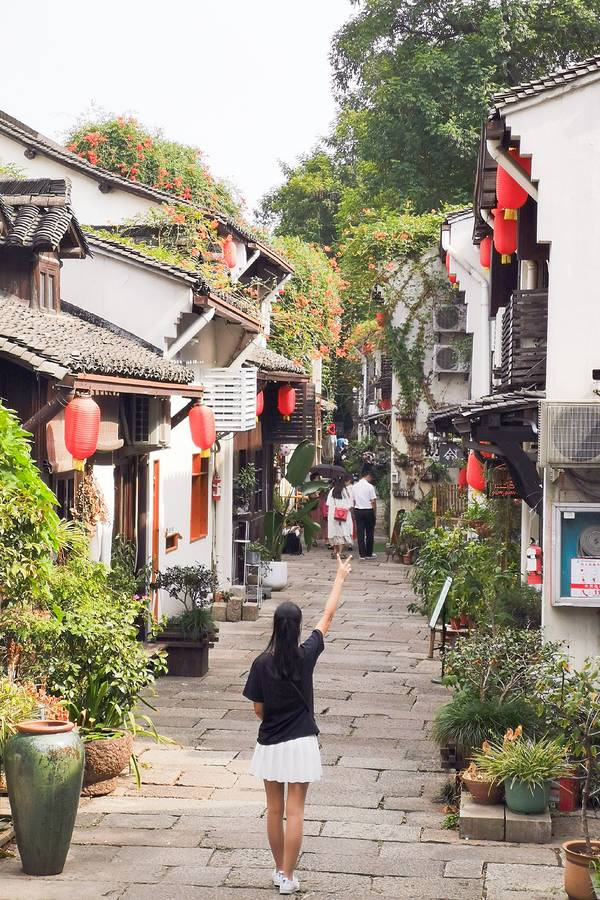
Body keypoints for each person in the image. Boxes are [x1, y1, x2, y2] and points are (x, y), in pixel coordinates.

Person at [243, 555, 353, 895]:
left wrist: (272, 716)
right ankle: (290, 877)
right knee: (296, 811)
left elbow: (258, 709)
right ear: (298, 627)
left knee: (274, 810)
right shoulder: (307, 655)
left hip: (271, 743)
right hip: (302, 741)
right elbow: (328, 616)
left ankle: (279, 870)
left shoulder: (261, 663)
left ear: (275, 628)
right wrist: (340, 577)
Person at [352, 467, 377, 560]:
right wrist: (374, 512)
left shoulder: (354, 486)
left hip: (358, 510)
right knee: (370, 532)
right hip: (368, 510)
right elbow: (373, 501)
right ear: (368, 476)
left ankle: (362, 554)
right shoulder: (370, 487)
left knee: (360, 532)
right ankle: (369, 553)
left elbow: (353, 500)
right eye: (371, 478)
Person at [326, 475, 353, 558]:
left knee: (334, 533)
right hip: (343, 516)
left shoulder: (332, 491)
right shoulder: (345, 491)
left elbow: (328, 504)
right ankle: (340, 552)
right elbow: (350, 504)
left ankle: (335, 551)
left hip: (333, 515)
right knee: (342, 533)